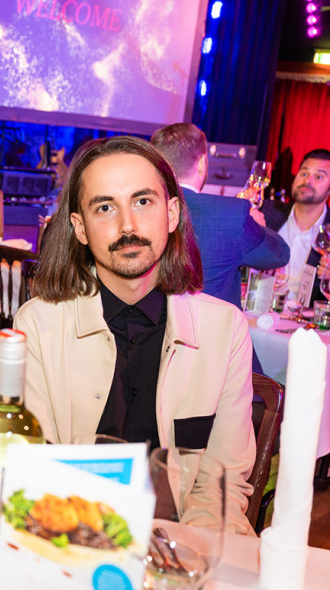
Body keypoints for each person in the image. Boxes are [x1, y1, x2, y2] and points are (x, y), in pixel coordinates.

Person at [13, 136, 256, 535]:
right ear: (80, 228)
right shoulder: (38, 325)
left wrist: (184, 552)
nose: (127, 225)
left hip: (182, 542)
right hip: (73, 537)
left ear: (172, 213)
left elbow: (221, 485)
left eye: (142, 201)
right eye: (105, 207)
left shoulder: (224, 330)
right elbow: (38, 469)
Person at [151, 123, 289, 309]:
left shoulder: (141, 208)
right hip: (209, 326)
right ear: (202, 163)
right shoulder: (232, 215)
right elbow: (279, 254)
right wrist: (257, 225)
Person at [262, 149, 330, 306]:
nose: (307, 180)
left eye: (318, 176)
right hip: (257, 312)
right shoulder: (265, 212)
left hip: (305, 319)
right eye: (304, 173)